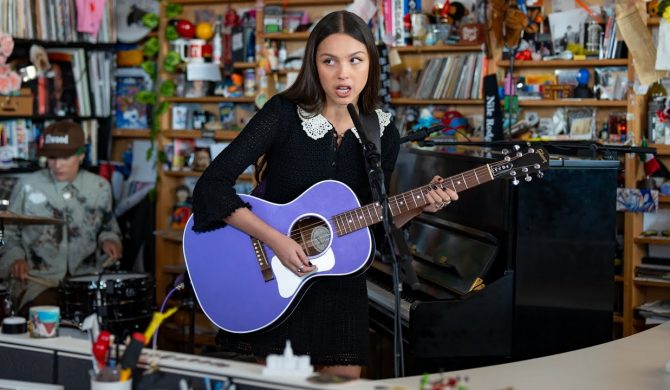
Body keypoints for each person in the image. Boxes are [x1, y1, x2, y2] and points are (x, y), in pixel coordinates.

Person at [191, 11, 457, 378]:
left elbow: (374, 228)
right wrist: (277, 241)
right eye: (329, 61)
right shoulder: (283, 115)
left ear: (370, 66)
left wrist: (420, 204)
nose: (342, 73)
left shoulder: (382, 132)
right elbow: (211, 186)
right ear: (314, 64)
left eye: (355, 60)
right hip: (273, 277)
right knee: (279, 386)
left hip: (339, 289)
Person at [0, 121, 122, 317]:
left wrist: (110, 240)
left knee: (98, 324)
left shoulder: (100, 187)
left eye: (65, 157)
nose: (57, 165)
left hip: (86, 280)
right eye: (52, 157)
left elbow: (108, 227)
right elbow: (7, 231)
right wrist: (15, 258)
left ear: (81, 155)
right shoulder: (27, 185)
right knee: (43, 322)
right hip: (37, 282)